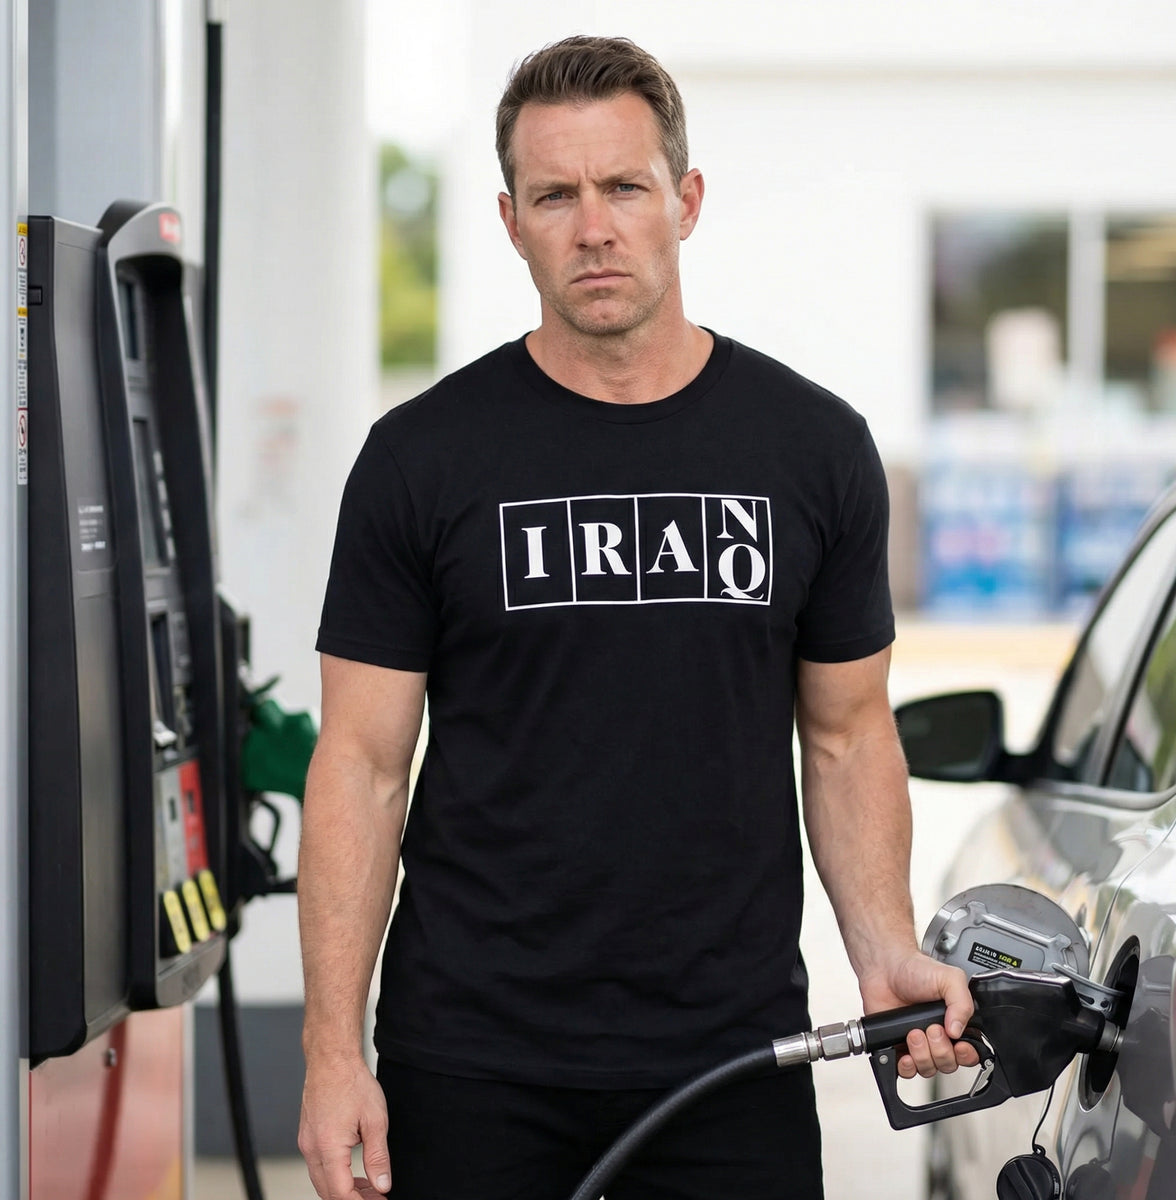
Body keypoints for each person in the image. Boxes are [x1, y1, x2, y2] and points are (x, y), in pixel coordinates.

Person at [297, 34, 975, 1200]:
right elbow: (360, 764)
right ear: (511, 220)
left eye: (624, 187)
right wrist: (327, 1053)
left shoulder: (810, 449)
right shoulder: (422, 460)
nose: (592, 227)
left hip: (731, 1053)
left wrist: (882, 956)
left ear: (686, 200)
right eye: (555, 195)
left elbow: (849, 733)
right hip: (470, 1057)